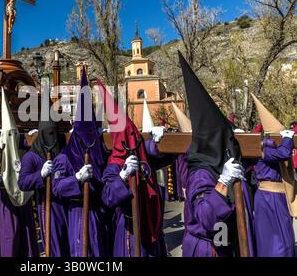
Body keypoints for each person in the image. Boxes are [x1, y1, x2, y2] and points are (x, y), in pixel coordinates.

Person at [178, 52, 253, 257]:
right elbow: (206, 217)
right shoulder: (202, 173)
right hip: (206, 249)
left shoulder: (216, 165)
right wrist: (223, 182)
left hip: (221, 243)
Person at [97, 80, 171, 257]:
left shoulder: (141, 153)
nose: (132, 140)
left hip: (151, 221)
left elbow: (163, 154)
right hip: (130, 228)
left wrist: (162, 138)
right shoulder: (114, 163)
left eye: (134, 135)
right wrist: (122, 177)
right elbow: (107, 197)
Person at [52, 69, 110, 257]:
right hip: (78, 211)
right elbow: (57, 187)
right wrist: (76, 179)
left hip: (99, 210)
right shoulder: (64, 157)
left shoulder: (98, 152)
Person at [0, 89, 39, 257]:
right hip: (6, 199)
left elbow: (32, 143)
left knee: (27, 234)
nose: (12, 137)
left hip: (25, 198)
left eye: (14, 134)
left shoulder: (22, 147)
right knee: (11, 234)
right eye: (9, 134)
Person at [18, 88, 70, 257]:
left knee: (67, 243)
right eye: (48, 134)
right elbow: (23, 183)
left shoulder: (62, 150)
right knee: (53, 245)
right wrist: (40, 175)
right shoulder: (31, 157)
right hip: (45, 204)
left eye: (54, 134)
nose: (51, 138)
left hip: (66, 204)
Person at [251, 94, 295, 257]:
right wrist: (288, 138)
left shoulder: (268, 145)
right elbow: (283, 153)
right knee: (277, 242)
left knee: (282, 238)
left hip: (274, 197)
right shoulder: (266, 146)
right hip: (270, 198)